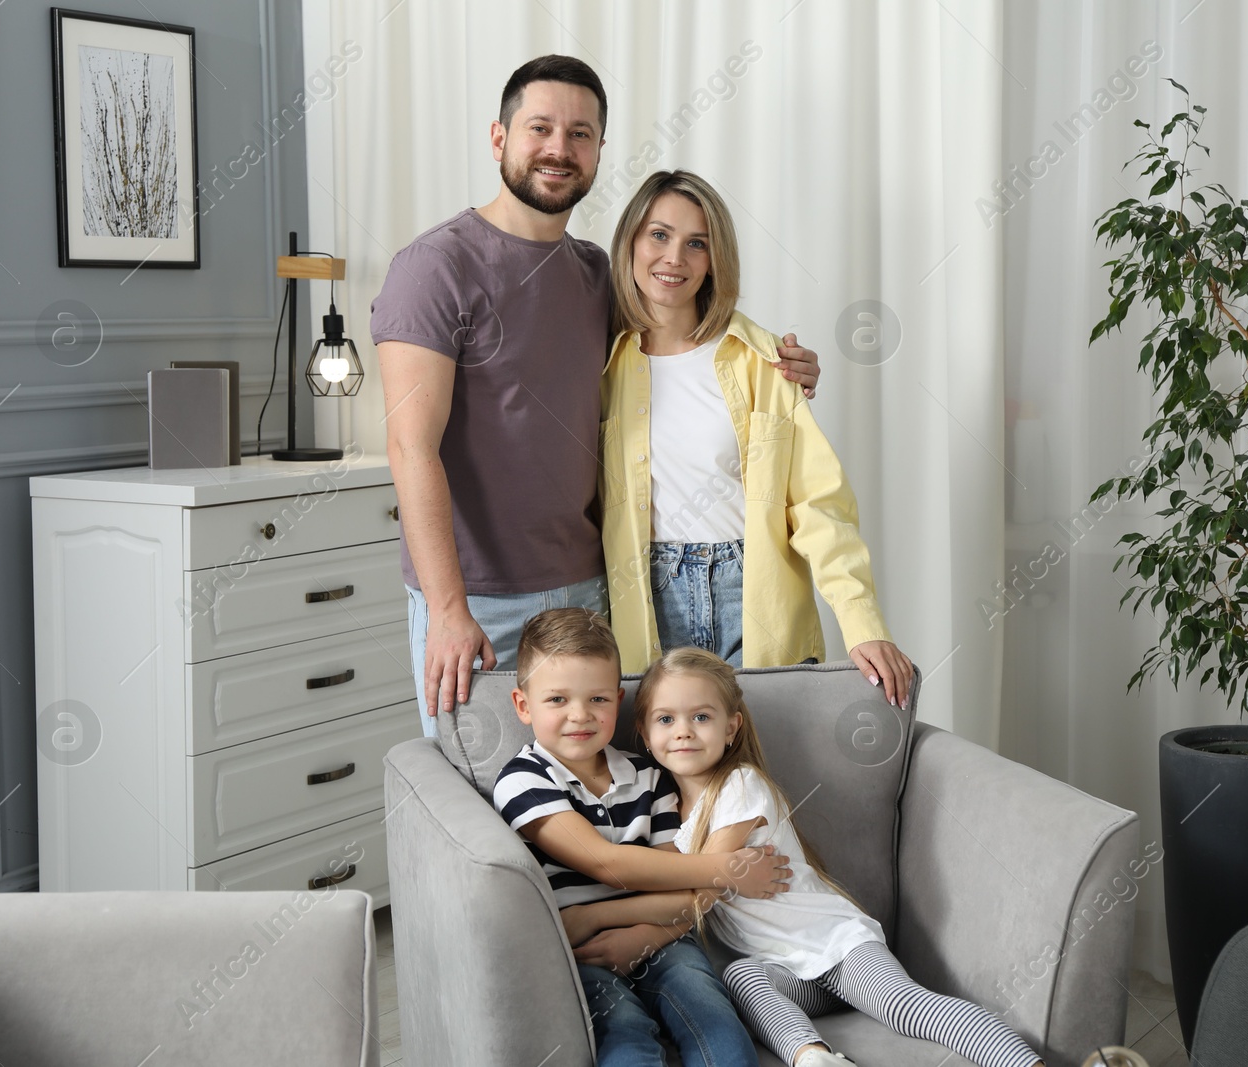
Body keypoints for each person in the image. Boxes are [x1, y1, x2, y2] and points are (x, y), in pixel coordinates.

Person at [371, 57, 822, 734]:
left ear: (599, 151)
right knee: (481, 799)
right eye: (541, 128)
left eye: (580, 133)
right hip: (478, 599)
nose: (560, 148)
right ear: (499, 138)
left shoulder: (596, 276)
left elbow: (679, 348)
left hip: (591, 590)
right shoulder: (435, 267)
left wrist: (778, 362)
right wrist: (447, 609)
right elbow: (410, 447)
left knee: (596, 789)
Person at [635, 647, 1048, 1067]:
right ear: (646, 734)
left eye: (701, 717)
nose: (683, 731)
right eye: (666, 719)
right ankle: (813, 1057)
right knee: (742, 978)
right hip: (788, 970)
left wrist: (601, 924)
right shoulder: (668, 817)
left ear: (731, 727)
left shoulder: (741, 785)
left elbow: (698, 893)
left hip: (838, 944)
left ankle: (1024, 1063)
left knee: (905, 1007)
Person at [599, 170, 913, 707]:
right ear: (629, 240)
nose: (674, 257)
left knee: (765, 762)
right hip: (646, 596)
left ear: (715, 259)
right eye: (659, 234)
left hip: (752, 591)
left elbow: (818, 504)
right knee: (670, 770)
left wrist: (863, 622)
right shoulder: (601, 362)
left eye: (696, 243)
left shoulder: (764, 359)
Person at [493, 608, 787, 1067]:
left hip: (663, 939)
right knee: (625, 1030)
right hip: (580, 949)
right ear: (523, 704)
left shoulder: (649, 775)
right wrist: (728, 871)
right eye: (556, 700)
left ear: (618, 698)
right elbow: (606, 863)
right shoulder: (525, 780)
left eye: (597, 700)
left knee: (712, 1017)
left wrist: (647, 935)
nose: (579, 716)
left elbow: (682, 892)